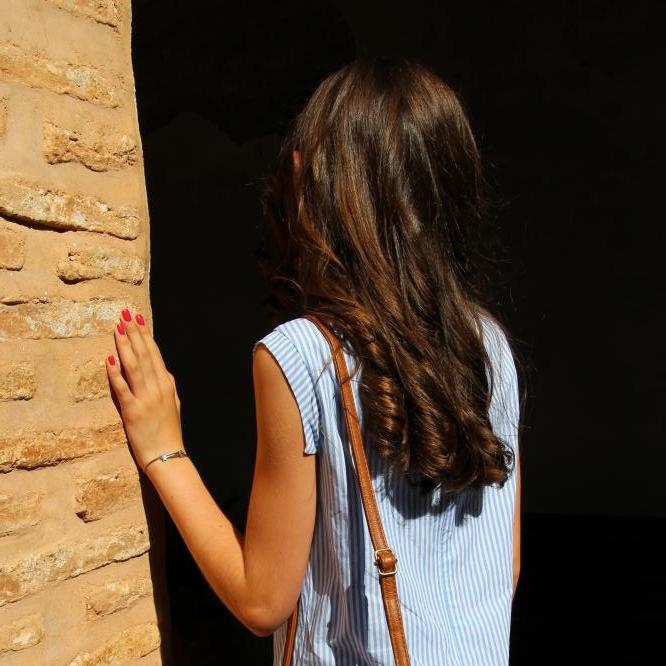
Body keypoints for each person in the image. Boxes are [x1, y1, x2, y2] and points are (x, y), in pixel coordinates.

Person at [105, 57, 521, 666]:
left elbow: (261, 600)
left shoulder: (302, 355)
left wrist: (164, 450)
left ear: (317, 184)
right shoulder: (489, 347)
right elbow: (500, 565)